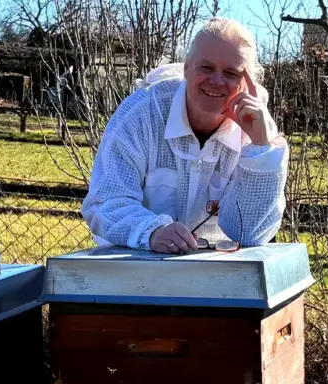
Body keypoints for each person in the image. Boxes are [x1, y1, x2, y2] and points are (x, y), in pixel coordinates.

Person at [80, 17, 289, 254]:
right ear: (186, 67)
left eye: (231, 73)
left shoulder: (257, 130)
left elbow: (247, 233)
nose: (217, 81)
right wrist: (151, 231)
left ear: (247, 82)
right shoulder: (141, 113)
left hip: (218, 269)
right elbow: (105, 202)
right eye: (206, 68)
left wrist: (261, 150)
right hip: (133, 265)